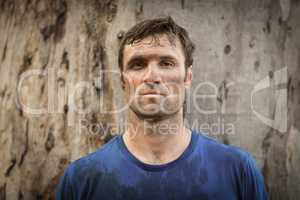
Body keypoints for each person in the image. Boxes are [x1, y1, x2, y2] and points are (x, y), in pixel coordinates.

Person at [56, 16, 268, 200]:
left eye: (166, 63)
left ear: (188, 77)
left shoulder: (238, 170)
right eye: (138, 64)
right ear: (122, 80)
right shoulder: (81, 179)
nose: (152, 77)